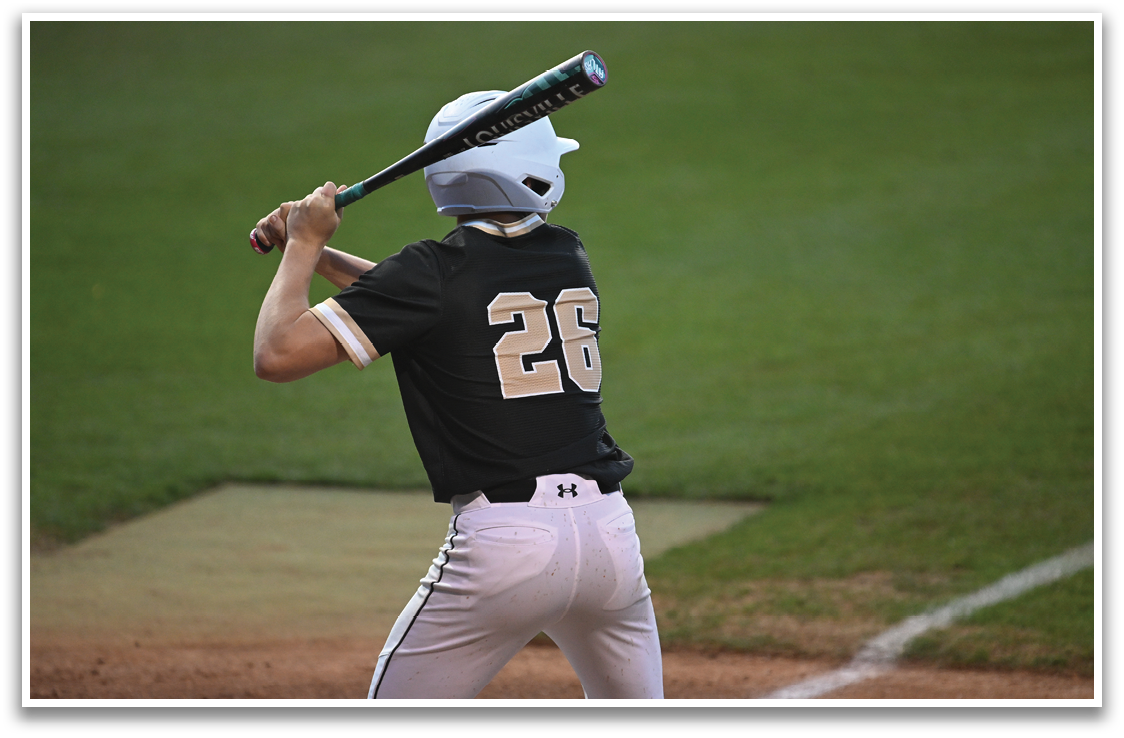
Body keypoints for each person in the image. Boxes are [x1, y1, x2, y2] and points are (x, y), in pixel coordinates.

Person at [251, 90, 663, 699]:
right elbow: (412, 301)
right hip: (610, 538)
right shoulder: (566, 253)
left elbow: (276, 355)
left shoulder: (432, 274)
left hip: (506, 548)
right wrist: (306, 248)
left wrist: (307, 246)